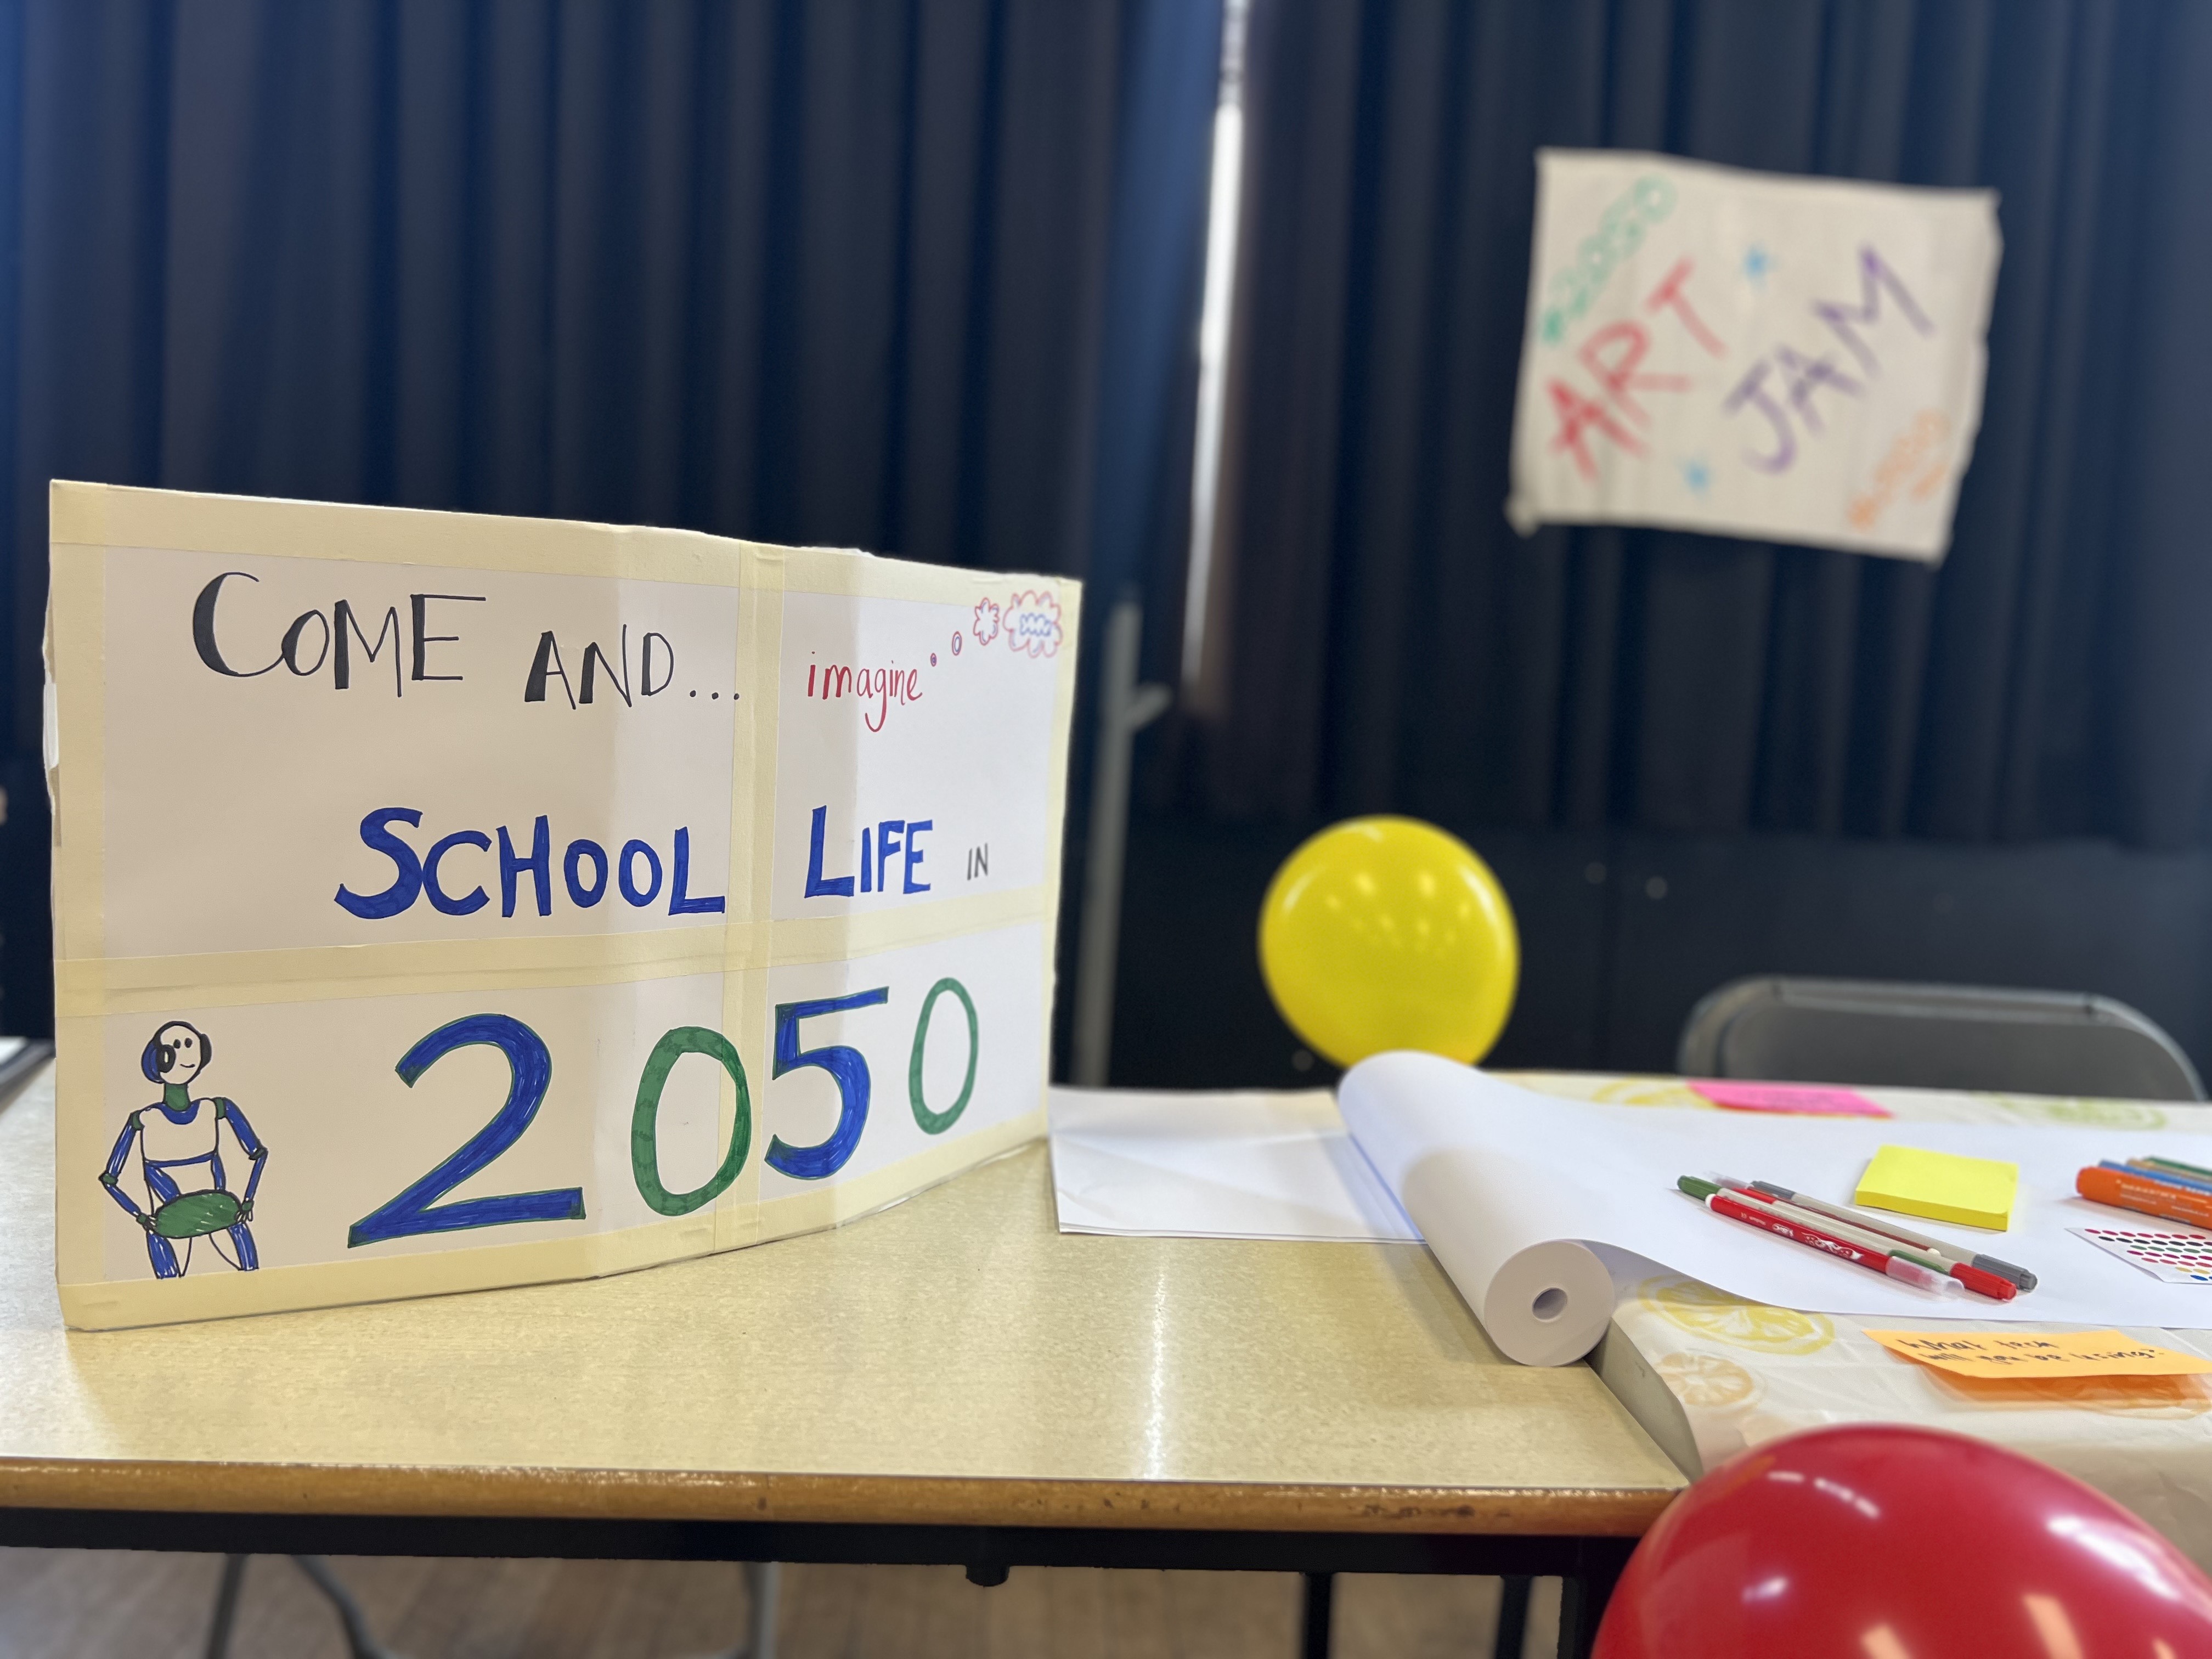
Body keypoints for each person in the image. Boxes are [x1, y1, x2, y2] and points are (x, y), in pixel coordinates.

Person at [99, 1020, 267, 1277]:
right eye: (176, 1047)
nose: (185, 1055)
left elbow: (259, 1153)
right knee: (158, 1240)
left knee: (247, 1259)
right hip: (171, 1219)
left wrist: (248, 1201)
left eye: (190, 1045)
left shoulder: (217, 1108)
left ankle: (255, 1280)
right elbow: (110, 1179)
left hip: (220, 1209)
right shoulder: (144, 1119)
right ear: (158, 1059)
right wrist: (141, 1217)